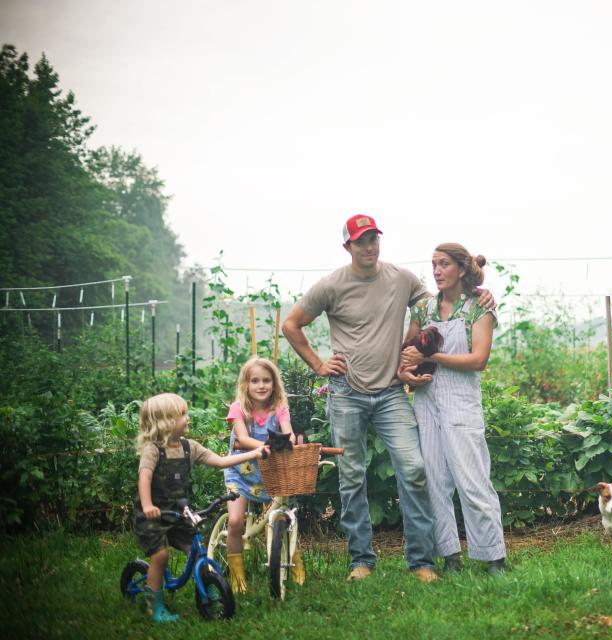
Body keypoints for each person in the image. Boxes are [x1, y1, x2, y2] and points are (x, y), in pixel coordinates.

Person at [282, 213, 493, 583]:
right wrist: (317, 364)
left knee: (414, 469)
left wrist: (478, 292)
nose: (369, 246)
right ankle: (361, 561)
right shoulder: (331, 285)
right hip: (347, 393)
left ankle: (422, 561)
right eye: (361, 241)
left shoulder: (401, 279)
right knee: (351, 476)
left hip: (392, 393)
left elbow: (441, 303)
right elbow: (291, 324)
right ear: (348, 246)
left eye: (373, 239)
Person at [398, 243, 507, 575]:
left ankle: (493, 558)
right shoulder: (423, 309)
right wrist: (405, 372)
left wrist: (431, 357)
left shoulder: (478, 309)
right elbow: (407, 351)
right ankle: (450, 556)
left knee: (472, 479)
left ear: (461, 269)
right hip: (427, 400)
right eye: (433, 265)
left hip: (461, 401)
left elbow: (478, 360)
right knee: (433, 480)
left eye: (444, 264)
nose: (436, 271)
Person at [134, 392, 268, 623]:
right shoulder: (153, 450)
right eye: (182, 415)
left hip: (179, 511)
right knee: (160, 556)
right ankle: (154, 605)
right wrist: (147, 505)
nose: (188, 418)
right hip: (154, 514)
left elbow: (219, 461)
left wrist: (254, 453)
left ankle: (210, 590)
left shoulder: (189, 447)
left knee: (197, 550)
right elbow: (144, 477)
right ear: (165, 422)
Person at [222, 356, 299, 593]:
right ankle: (237, 575)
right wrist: (263, 447)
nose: (261, 385)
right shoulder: (239, 409)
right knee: (235, 522)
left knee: (282, 519)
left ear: (274, 384)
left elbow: (290, 435)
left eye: (267, 380)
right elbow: (243, 438)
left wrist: (288, 442)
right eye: (255, 381)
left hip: (269, 471)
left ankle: (295, 561)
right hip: (240, 471)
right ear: (246, 385)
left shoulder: (280, 409)